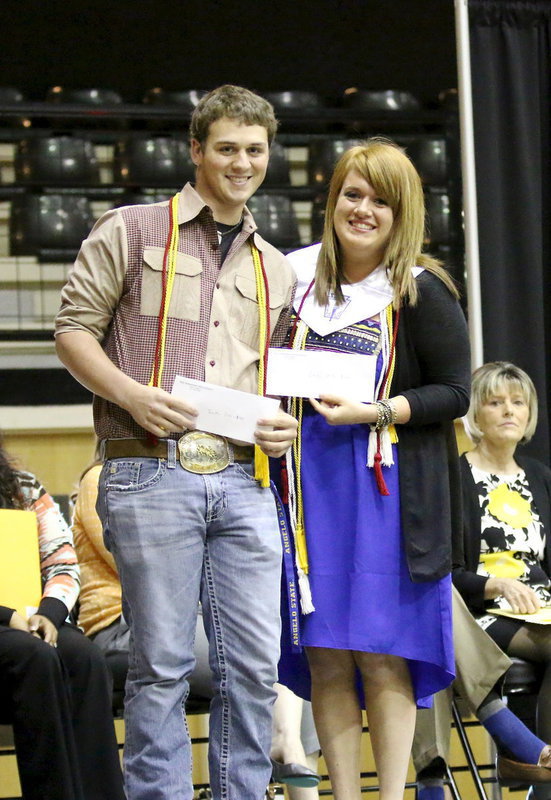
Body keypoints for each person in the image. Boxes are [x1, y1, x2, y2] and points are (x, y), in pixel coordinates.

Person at [54, 84, 298, 800]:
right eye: (225, 148)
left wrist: (282, 422)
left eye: (254, 150)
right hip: (149, 471)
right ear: (196, 151)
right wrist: (130, 394)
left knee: (255, 667)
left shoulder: (276, 267)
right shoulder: (130, 228)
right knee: (159, 664)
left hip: (246, 478)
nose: (240, 162)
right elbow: (71, 330)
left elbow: (274, 379)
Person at [276, 138, 471, 800]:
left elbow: (455, 393)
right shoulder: (294, 283)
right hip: (309, 492)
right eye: (351, 195)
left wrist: (376, 410)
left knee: (381, 653)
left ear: (401, 212)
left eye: (379, 201)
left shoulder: (420, 290)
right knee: (325, 653)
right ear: (331, 201)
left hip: (386, 495)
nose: (362, 210)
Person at [72, 461, 320, 800]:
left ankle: (284, 741)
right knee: (165, 670)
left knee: (260, 668)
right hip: (112, 621)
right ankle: (285, 742)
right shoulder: (96, 476)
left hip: (244, 466)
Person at [0, 437, 124, 800]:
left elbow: (61, 560)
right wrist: (8, 617)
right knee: (33, 655)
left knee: (82, 656)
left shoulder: (22, 487)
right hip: (7, 625)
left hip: (32, 614)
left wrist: (50, 614)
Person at [454, 361, 551, 800]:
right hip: (480, 609)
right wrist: (495, 585)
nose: (509, 411)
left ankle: (535, 771)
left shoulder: (539, 476)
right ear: (476, 413)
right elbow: (445, 570)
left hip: (540, 602)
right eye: (496, 402)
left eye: (518, 403)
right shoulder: (455, 476)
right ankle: (539, 766)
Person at [413, 586, 551, 799]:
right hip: (470, 609)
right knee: (430, 591)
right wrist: (497, 585)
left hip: (537, 608)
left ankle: (431, 785)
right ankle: (518, 743)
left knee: (428, 601)